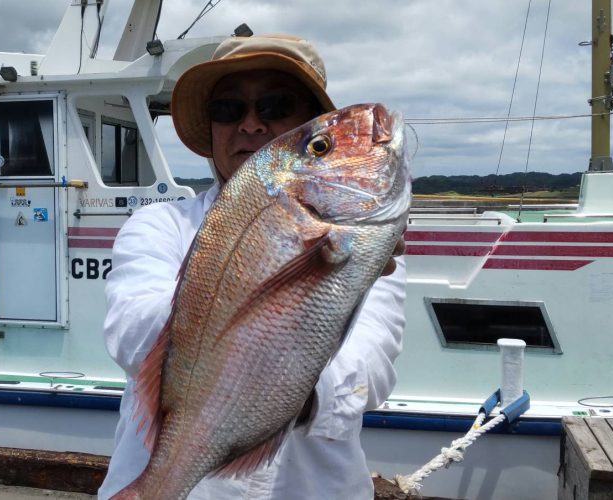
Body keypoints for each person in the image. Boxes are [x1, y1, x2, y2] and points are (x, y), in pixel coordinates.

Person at [98, 35, 406, 500]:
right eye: (227, 110)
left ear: (306, 119)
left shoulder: (368, 245)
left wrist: (275, 397)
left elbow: (370, 371)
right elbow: (131, 331)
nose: (250, 124)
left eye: (275, 105)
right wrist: (249, 279)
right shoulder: (158, 224)